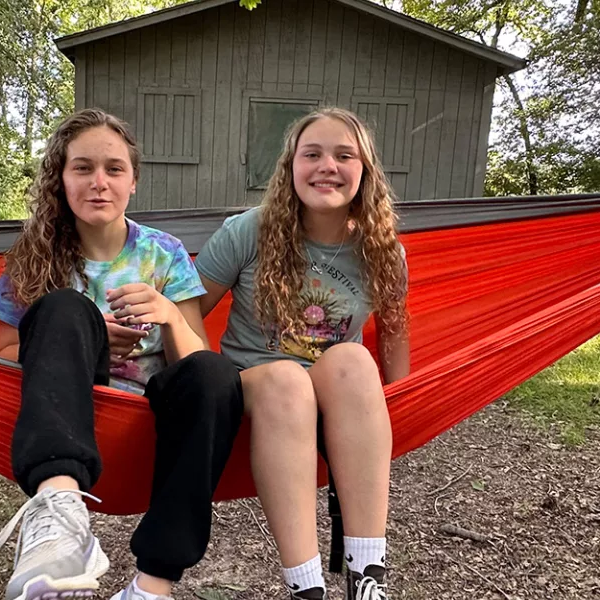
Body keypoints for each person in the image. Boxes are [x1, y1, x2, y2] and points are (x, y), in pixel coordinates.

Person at [0, 108, 244, 600]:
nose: (98, 182)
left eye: (113, 169)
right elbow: (0, 354)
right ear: (60, 179)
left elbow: (198, 360)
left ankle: (151, 587)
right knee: (64, 307)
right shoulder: (33, 255)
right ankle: (60, 517)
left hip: (155, 417)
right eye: (82, 168)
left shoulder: (164, 252)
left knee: (216, 373)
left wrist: (168, 313)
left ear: (133, 181)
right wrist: (86, 340)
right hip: (74, 415)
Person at [195, 107, 409, 600]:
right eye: (311, 154)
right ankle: (306, 588)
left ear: (365, 171)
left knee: (354, 360)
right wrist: (201, 379)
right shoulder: (247, 231)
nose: (326, 166)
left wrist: (402, 403)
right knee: (287, 378)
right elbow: (188, 308)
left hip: (337, 393)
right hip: (257, 386)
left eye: (343, 155)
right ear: (290, 168)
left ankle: (367, 578)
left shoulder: (383, 250)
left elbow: (393, 333)